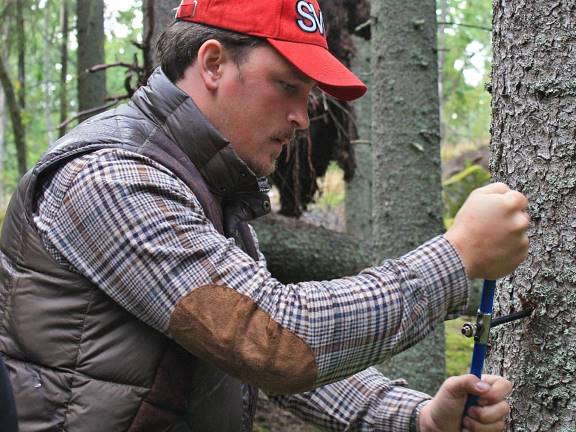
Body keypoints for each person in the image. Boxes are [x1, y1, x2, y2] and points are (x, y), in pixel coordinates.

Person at [0, 0, 530, 431]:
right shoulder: (109, 179)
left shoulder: (207, 190)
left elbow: (244, 351)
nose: (303, 116)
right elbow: (273, 339)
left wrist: (415, 416)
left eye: (308, 94)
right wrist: (455, 259)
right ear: (212, 64)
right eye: (286, 85)